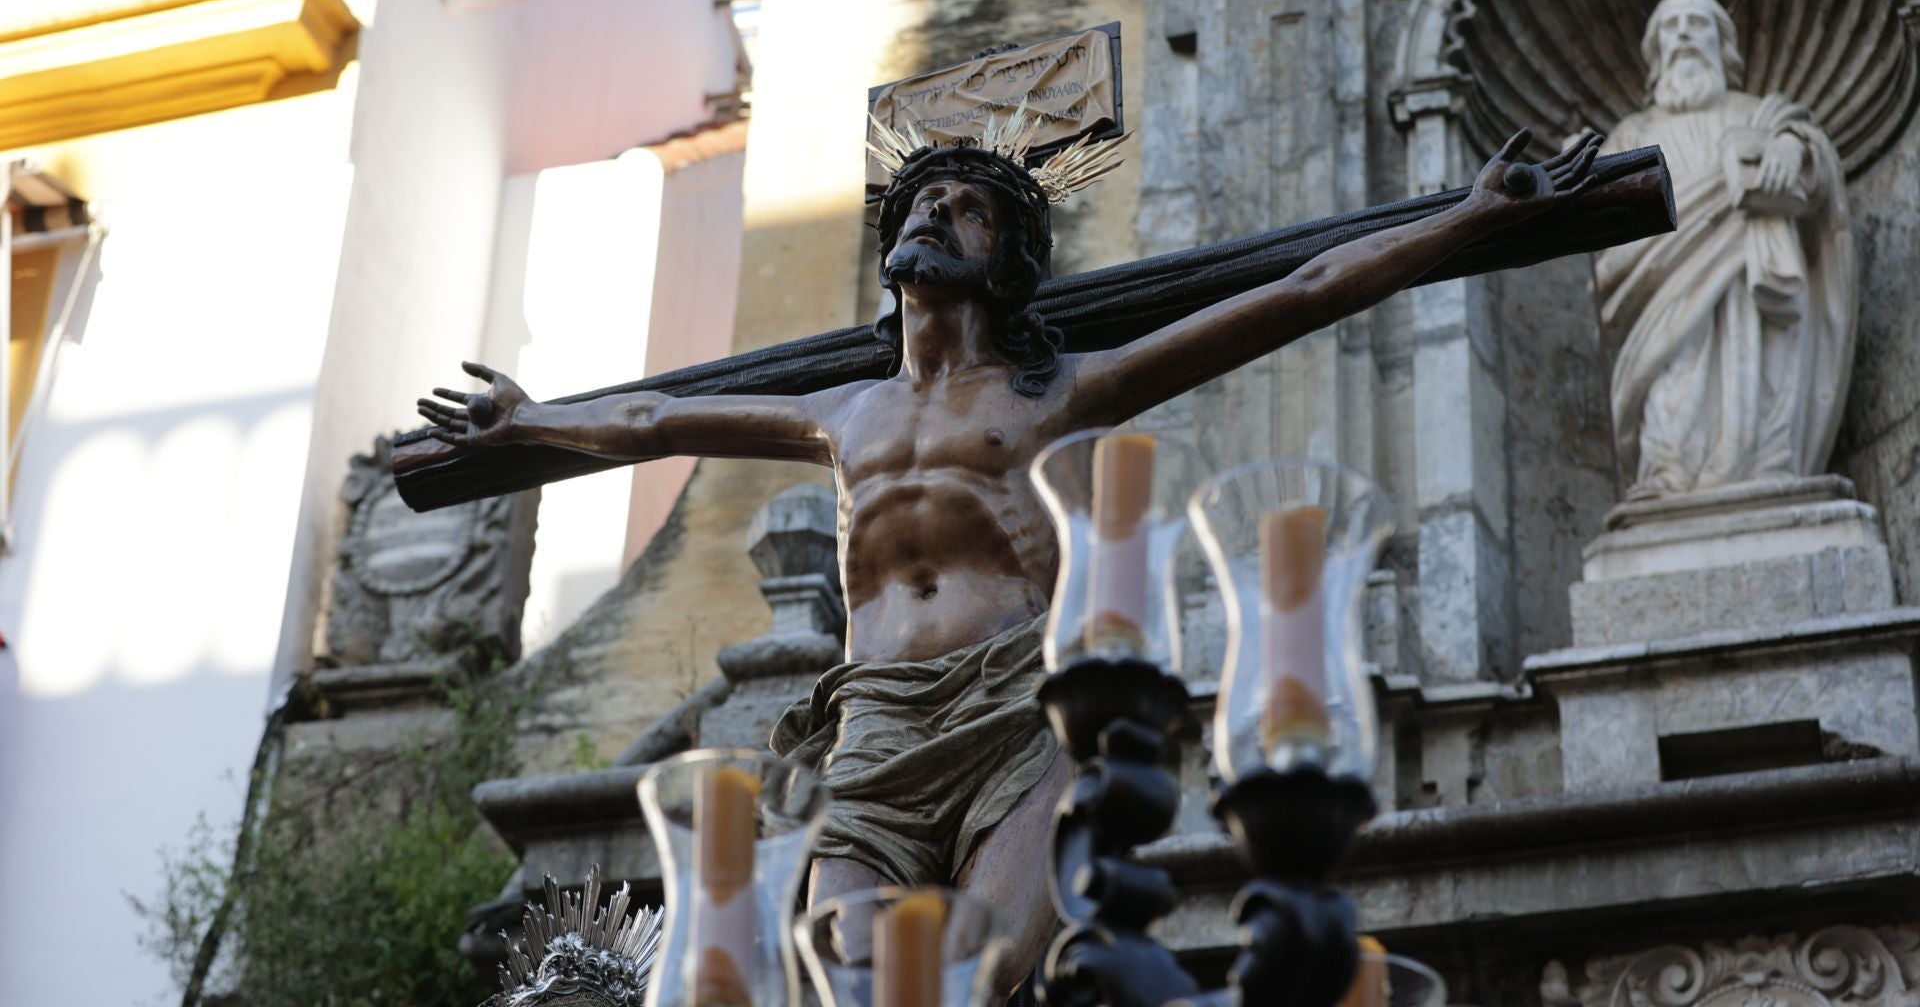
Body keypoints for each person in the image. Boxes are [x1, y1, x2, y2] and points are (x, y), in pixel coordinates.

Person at [418, 120, 1599, 992]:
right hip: (873, 728)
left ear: (1009, 259)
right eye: (921, 201)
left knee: (980, 986)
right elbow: (656, 420)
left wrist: (1471, 218)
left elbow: (1301, 290)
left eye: (967, 208)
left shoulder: (1061, 391)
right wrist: (529, 425)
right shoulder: (841, 411)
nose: (935, 213)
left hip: (1018, 716)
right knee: (868, 988)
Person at [1594, 0, 1854, 498]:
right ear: (1656, 51)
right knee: (1675, 379)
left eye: (1698, 23)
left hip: (1756, 275)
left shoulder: (1759, 114)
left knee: (1763, 368)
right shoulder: (1632, 132)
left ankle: (1770, 466)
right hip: (1665, 288)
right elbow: (1608, 225)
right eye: (1672, 25)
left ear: (1722, 42)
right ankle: (1666, 475)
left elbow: (1816, 170)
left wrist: (1790, 148)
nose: (1685, 33)